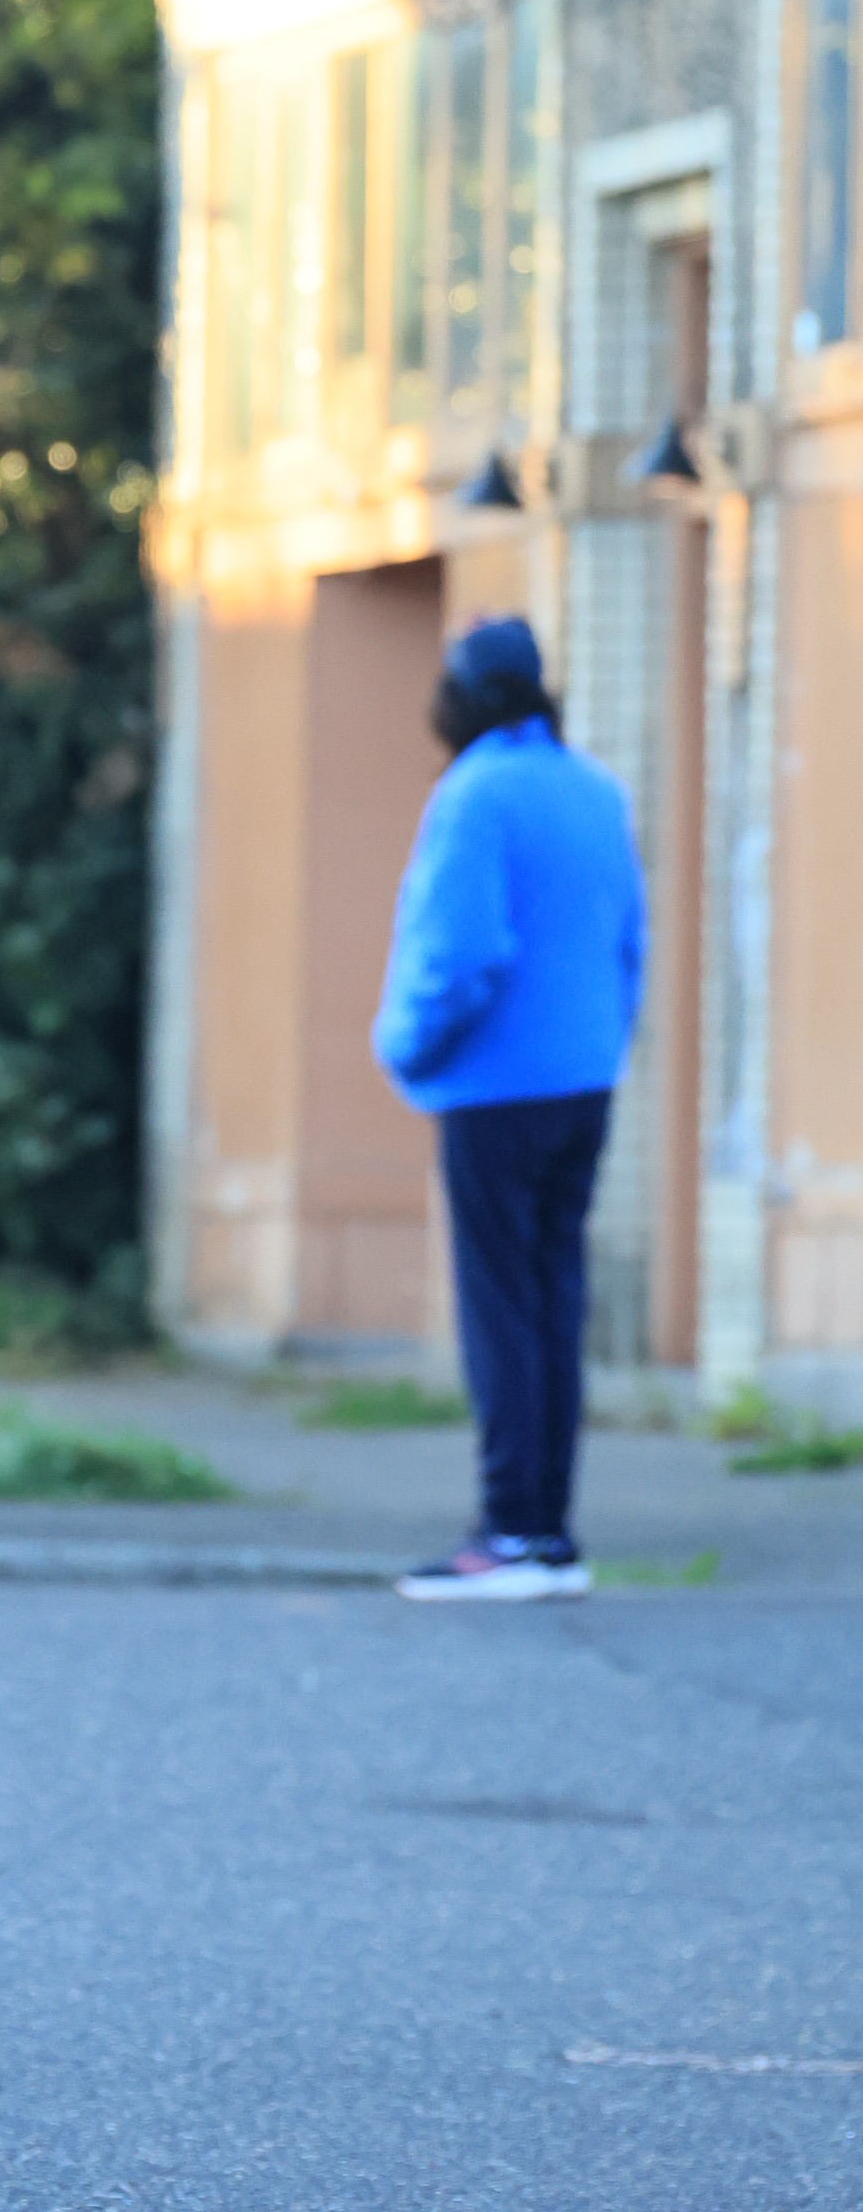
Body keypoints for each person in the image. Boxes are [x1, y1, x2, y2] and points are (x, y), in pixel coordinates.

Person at [373, 614, 647, 1603]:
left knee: (497, 1310)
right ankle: (549, 1533)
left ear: (476, 698)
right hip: (584, 1082)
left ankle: (510, 1533)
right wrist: (604, 1042)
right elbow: (629, 943)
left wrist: (403, 1044)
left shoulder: (476, 793)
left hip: (495, 1088)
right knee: (550, 1302)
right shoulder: (595, 789)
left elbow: (463, 953)